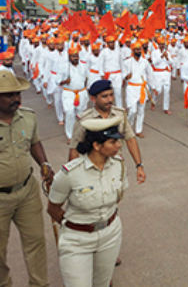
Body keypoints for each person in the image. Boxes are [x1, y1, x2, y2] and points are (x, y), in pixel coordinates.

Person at [0, 70, 54, 287]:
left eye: (17, 94)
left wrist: (44, 164)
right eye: (9, 95)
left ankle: (39, 284)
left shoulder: (27, 117)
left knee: (36, 242)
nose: (16, 99)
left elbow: (34, 142)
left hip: (27, 191)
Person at [48, 117, 129, 287]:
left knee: (103, 283)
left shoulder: (118, 166)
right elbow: (53, 208)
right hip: (77, 240)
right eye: (112, 142)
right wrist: (77, 226)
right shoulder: (70, 174)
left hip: (110, 234)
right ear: (97, 146)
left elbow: (117, 199)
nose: (119, 145)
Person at [69, 80, 146, 185]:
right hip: (92, 169)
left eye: (111, 95)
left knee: (115, 197)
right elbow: (74, 148)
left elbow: (130, 139)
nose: (110, 100)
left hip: (115, 167)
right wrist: (71, 176)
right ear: (93, 99)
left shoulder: (120, 114)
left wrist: (139, 166)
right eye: (104, 96)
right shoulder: (84, 120)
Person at [60, 47, 89, 143]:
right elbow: (56, 80)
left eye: (76, 56)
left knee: (80, 114)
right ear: (69, 57)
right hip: (69, 92)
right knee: (69, 112)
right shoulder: (64, 66)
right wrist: (64, 81)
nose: (75, 58)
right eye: (73, 56)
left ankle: (80, 133)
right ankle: (70, 135)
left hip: (81, 92)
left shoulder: (83, 65)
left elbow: (87, 78)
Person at [98, 36, 123, 107]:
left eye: (113, 42)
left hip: (117, 74)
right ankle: (108, 107)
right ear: (107, 43)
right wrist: (102, 75)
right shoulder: (103, 52)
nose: (112, 44)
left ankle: (119, 107)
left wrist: (123, 76)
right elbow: (100, 64)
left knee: (118, 92)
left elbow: (121, 63)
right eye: (110, 42)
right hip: (108, 75)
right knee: (108, 93)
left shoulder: (118, 51)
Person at [151, 37, 173, 114]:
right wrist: (161, 56)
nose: (162, 46)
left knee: (167, 91)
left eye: (163, 44)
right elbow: (154, 63)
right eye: (160, 44)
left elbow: (171, 63)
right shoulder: (154, 52)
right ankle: (153, 101)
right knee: (158, 90)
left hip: (166, 73)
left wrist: (167, 57)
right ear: (158, 45)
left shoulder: (168, 52)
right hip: (157, 74)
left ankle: (166, 108)